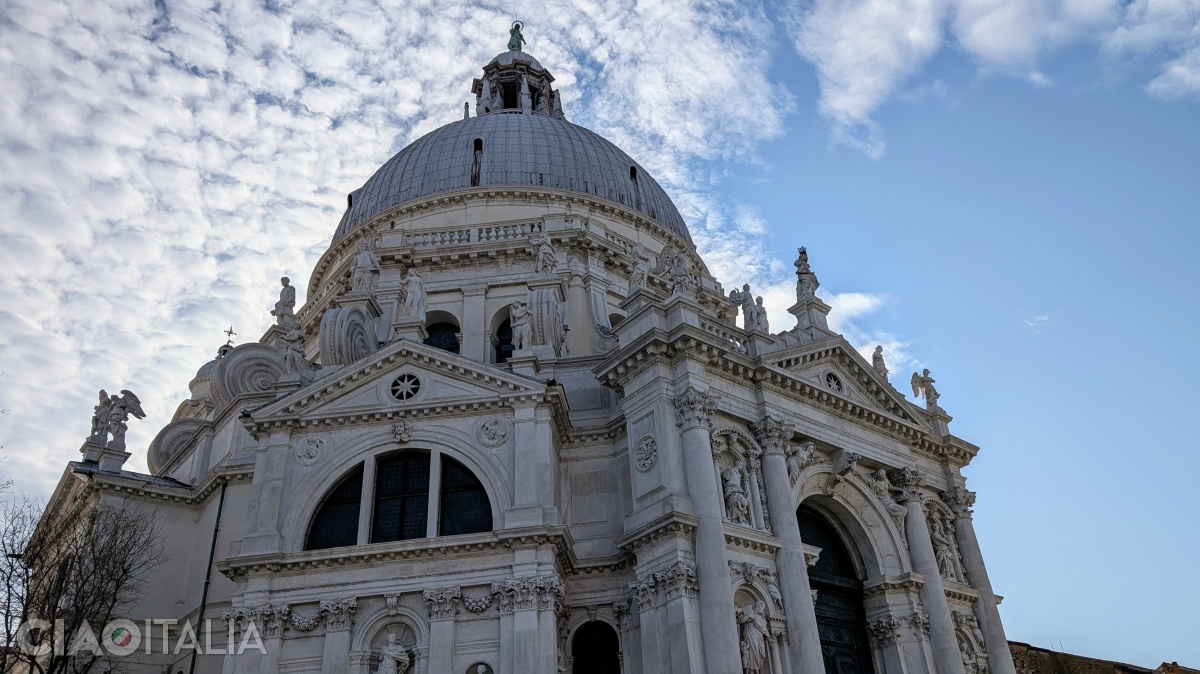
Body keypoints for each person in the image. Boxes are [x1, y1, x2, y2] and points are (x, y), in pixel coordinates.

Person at [737, 600, 769, 674]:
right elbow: (740, 620)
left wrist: (768, 636)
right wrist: (748, 616)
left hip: (759, 639)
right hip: (750, 636)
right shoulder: (748, 612)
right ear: (758, 606)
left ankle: (757, 670)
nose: (762, 610)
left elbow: (764, 628)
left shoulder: (761, 617)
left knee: (761, 655)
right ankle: (752, 671)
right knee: (752, 654)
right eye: (762, 607)